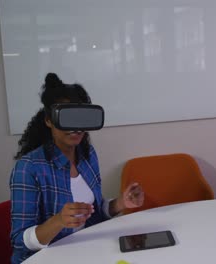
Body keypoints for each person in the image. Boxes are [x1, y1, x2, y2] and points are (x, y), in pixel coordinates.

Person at [10, 73, 144, 263]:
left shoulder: (87, 156)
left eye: (81, 118)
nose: (77, 128)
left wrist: (121, 203)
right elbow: (19, 240)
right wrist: (58, 221)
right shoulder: (28, 168)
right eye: (68, 117)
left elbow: (94, 212)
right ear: (49, 120)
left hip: (85, 251)